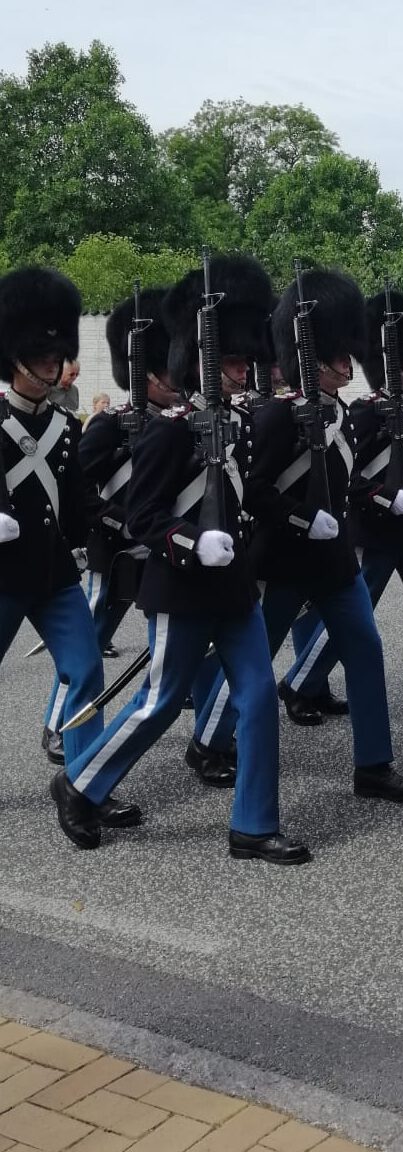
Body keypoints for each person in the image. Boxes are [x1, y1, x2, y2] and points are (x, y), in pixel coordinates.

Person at [51, 254, 310, 864]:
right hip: (182, 591)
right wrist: (195, 542)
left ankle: (252, 824)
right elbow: (143, 518)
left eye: (249, 361)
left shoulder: (242, 428)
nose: (247, 372)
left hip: (235, 593)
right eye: (235, 361)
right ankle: (80, 785)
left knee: (258, 698)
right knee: (159, 704)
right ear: (201, 364)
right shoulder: (166, 431)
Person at [193, 268, 403, 805]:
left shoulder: (340, 412)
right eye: (339, 356)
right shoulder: (277, 416)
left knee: (366, 653)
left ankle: (373, 763)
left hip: (336, 562)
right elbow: (251, 489)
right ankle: (208, 742)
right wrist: (302, 519)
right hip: (283, 562)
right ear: (310, 358)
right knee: (256, 660)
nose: (349, 364)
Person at [280, 289, 403, 737]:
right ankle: (300, 682)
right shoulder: (367, 412)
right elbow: (350, 478)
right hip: (373, 529)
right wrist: (384, 499)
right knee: (354, 614)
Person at [0, 267, 123, 818]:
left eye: (58, 357)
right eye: (45, 358)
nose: (56, 366)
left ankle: (84, 785)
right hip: (3, 575)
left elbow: (80, 503)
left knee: (86, 668)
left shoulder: (65, 426)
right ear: (16, 356)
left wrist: (124, 526)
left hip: (51, 575)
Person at [41, 288, 183, 760]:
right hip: (116, 547)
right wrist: (116, 522)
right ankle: (59, 723)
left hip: (161, 547)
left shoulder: (179, 424)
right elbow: (78, 489)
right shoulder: (110, 425)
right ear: (145, 376)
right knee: (93, 634)